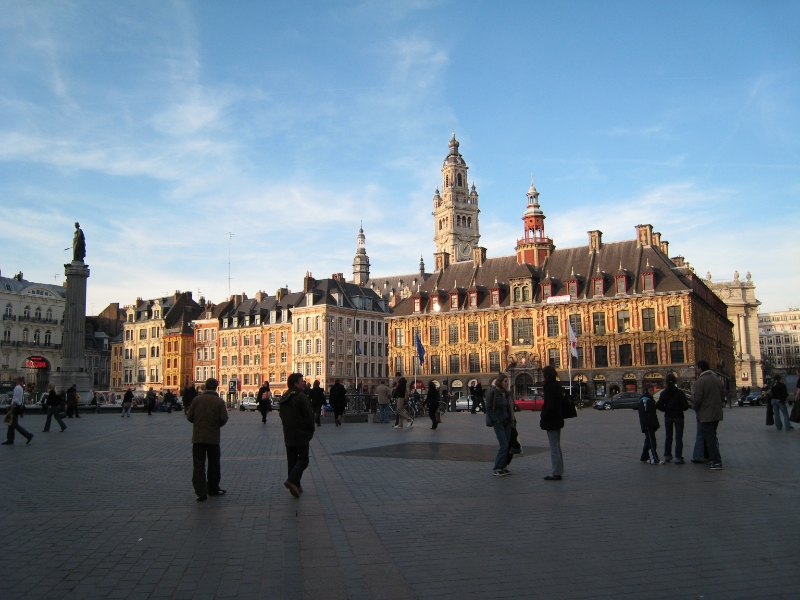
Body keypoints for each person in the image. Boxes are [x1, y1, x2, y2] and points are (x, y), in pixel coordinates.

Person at [186, 378, 228, 501]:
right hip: (213, 437)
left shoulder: (197, 400)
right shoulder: (219, 401)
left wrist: (198, 423)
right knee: (214, 464)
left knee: (198, 465)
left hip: (198, 437)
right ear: (216, 387)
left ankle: (200, 491)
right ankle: (213, 489)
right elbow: (224, 418)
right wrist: (216, 425)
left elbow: (190, 417)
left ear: (205, 386)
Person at [278, 373, 315, 498]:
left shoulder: (285, 396)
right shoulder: (300, 396)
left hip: (288, 432)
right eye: (301, 381)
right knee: (303, 460)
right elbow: (308, 415)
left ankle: (296, 486)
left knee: (292, 460)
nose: (304, 383)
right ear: (295, 383)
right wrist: (311, 429)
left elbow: (281, 414)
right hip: (301, 432)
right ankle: (292, 480)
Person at [691, 360, 725, 470]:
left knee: (709, 438)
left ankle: (716, 460)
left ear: (700, 369)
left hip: (706, 414)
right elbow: (722, 395)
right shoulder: (717, 379)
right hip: (717, 413)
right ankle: (712, 459)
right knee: (713, 436)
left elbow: (697, 399)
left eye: (696, 368)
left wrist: (694, 407)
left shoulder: (700, 381)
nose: (696, 371)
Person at [485, 373, 515, 476]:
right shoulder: (493, 393)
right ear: (500, 382)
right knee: (504, 444)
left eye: (507, 381)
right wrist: (495, 420)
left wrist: (513, 420)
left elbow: (509, 408)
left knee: (507, 445)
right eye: (505, 381)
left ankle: (503, 466)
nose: (507, 383)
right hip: (499, 422)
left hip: (507, 422)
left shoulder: (507, 394)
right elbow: (488, 408)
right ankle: (497, 467)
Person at [656, 374, 690, 463]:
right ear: (675, 382)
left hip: (668, 416)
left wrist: (665, 409)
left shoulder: (664, 393)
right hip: (678, 416)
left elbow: (658, 405)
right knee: (679, 437)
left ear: (666, 382)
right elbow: (685, 406)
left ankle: (667, 455)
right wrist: (679, 409)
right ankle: (678, 457)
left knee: (668, 436)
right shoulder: (679, 393)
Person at [540, 366, 565, 480]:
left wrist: (543, 415)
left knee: (553, 447)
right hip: (558, 418)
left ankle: (556, 472)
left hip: (551, 420)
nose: (542, 377)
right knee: (557, 446)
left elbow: (549, 405)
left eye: (543, 375)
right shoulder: (557, 385)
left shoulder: (549, 387)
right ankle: (559, 470)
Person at [3, 377, 33, 445]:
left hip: (15, 408)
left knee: (15, 424)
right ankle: (10, 439)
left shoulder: (17, 388)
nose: (14, 380)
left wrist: (11, 410)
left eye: (15, 379)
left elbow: (16, 400)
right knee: (11, 424)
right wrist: (21, 411)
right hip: (18, 407)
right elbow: (21, 399)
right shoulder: (20, 388)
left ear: (18, 381)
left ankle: (28, 435)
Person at [638, 386, 663, 465]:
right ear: (646, 391)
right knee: (652, 442)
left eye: (653, 390)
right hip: (648, 424)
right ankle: (655, 459)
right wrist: (645, 425)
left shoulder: (650, 399)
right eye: (650, 390)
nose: (652, 392)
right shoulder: (644, 400)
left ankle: (644, 457)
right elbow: (643, 414)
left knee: (648, 441)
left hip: (652, 423)